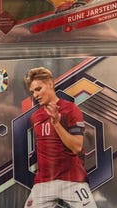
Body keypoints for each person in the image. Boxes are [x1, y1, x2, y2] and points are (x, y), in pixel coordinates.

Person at [24, 67, 97, 208]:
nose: (35, 95)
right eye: (32, 92)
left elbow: (77, 147)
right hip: (44, 183)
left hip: (71, 180)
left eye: (38, 89)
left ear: (50, 84)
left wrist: (56, 124)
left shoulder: (71, 109)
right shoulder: (35, 117)